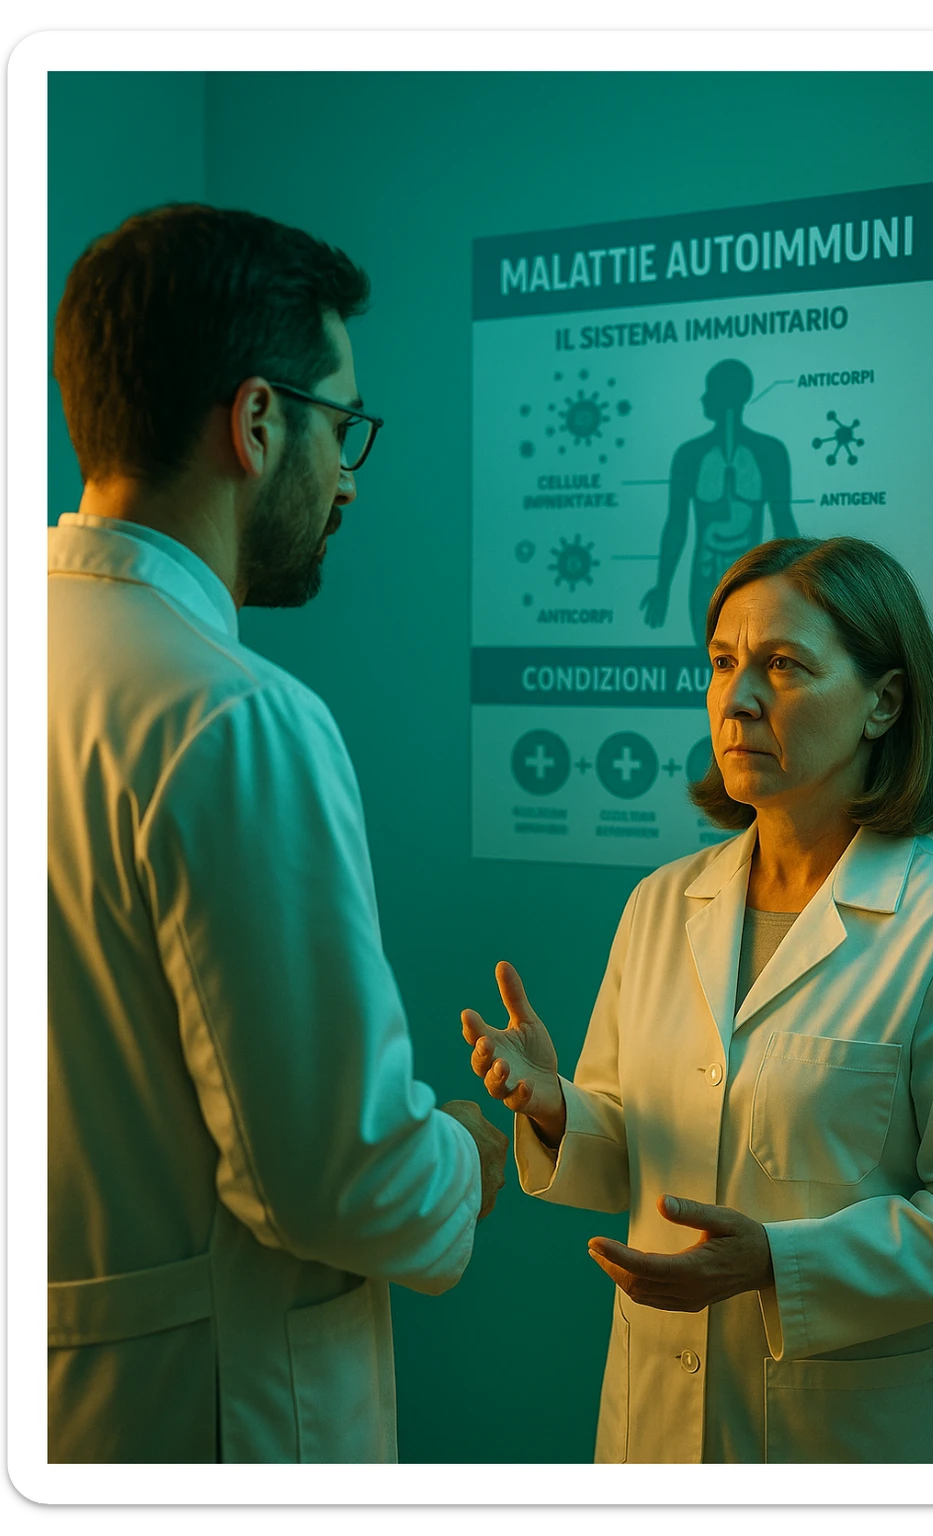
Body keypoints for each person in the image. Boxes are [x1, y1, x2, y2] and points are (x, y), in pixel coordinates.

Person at [48, 204, 507, 1465]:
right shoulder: (233, 717)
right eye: (341, 424)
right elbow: (333, 1181)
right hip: (210, 1420)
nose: (350, 473)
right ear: (257, 424)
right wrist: (467, 1152)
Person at [464, 536, 933, 1464]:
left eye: (782, 666)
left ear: (884, 703)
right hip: (652, 1423)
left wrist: (778, 1264)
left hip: (851, 1441)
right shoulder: (664, 902)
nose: (737, 699)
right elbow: (640, 1146)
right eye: (724, 663)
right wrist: (555, 1110)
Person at [640, 359, 797, 643]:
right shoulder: (689, 455)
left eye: (709, 390)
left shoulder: (770, 452)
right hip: (705, 579)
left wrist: (798, 588)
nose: (703, 398)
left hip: (757, 580)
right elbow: (676, 525)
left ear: (727, 395)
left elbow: (785, 525)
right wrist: (663, 585)